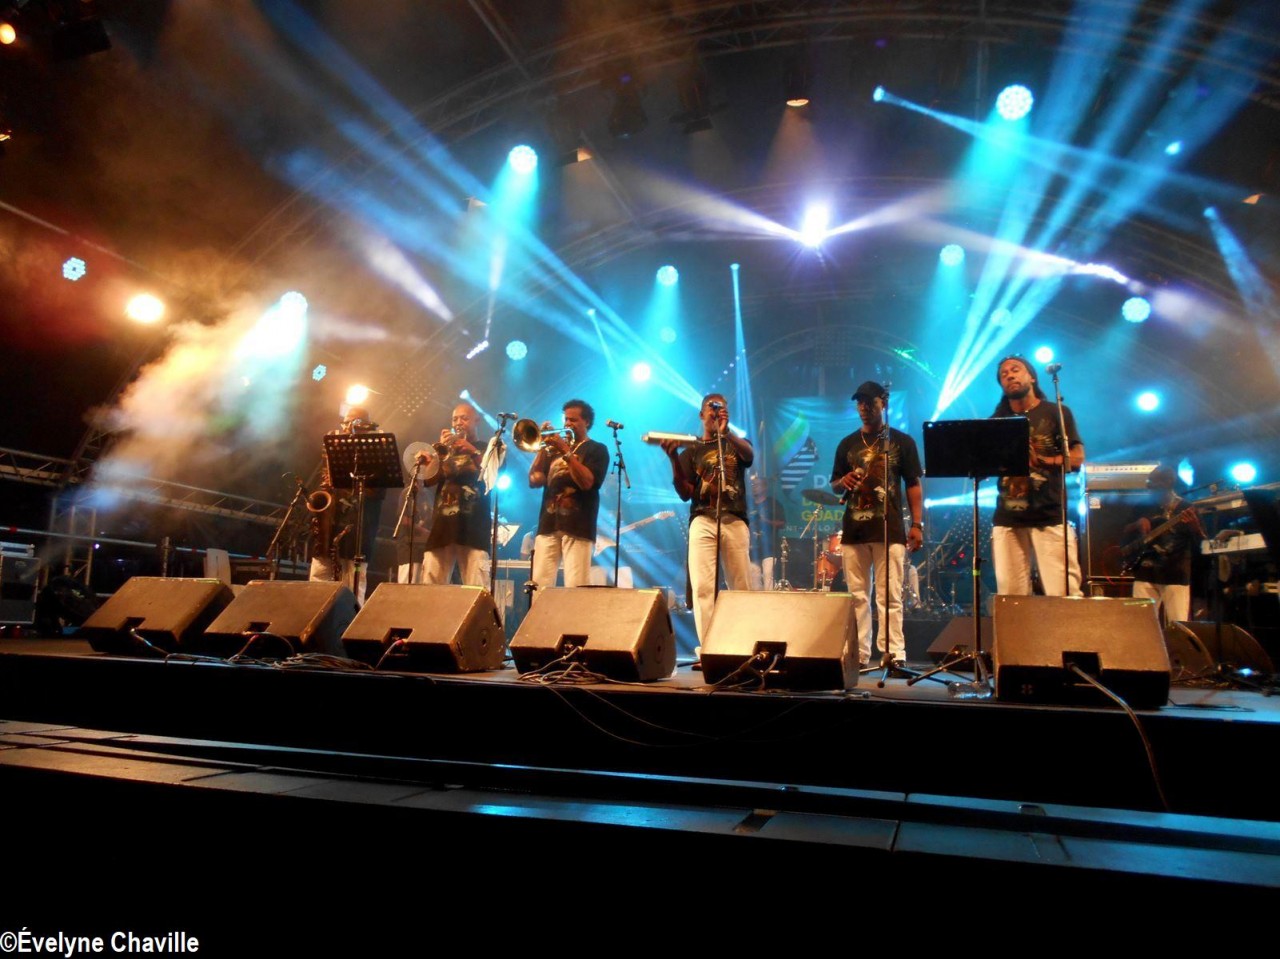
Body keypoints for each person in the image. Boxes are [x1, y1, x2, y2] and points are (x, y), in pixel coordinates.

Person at [829, 381, 924, 665]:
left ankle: (893, 654)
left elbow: (913, 483)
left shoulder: (902, 442)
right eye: (859, 402)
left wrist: (917, 524)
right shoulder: (847, 444)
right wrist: (843, 481)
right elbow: (834, 484)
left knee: (890, 596)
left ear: (883, 403)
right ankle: (859, 654)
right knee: (857, 596)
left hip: (889, 529)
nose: (864, 407)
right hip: (855, 530)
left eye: (869, 402)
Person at [659, 394, 755, 643]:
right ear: (701, 415)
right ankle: (709, 646)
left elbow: (749, 456)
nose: (715, 411)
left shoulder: (735, 442)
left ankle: (742, 643)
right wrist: (673, 459)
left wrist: (726, 433)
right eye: (711, 408)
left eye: (720, 407)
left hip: (734, 518)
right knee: (703, 586)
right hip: (702, 518)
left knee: (740, 584)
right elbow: (684, 493)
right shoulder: (692, 450)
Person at [990, 355, 1084, 597]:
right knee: (1011, 597)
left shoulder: (1056, 412)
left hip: (1048, 515)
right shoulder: (996, 422)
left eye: (1015, 370)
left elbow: (1077, 459)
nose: (1010, 375)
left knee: (1063, 595)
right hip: (1008, 518)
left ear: (1032, 377)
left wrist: (1041, 460)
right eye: (1004, 375)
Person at [528, 399, 610, 595]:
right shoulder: (552, 451)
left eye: (573, 420)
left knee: (576, 587)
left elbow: (587, 482)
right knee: (539, 586)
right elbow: (534, 480)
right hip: (548, 524)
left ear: (586, 422)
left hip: (578, 526)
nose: (567, 424)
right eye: (566, 419)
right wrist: (541, 448)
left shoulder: (596, 449)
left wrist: (566, 451)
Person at [308, 406, 387, 604]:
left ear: (365, 426)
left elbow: (376, 492)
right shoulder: (335, 450)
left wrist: (345, 482)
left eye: (353, 422)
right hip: (329, 532)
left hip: (357, 533)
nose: (346, 427)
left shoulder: (378, 454)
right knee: (317, 583)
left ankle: (350, 623)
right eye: (345, 422)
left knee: (352, 590)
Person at [418, 402, 491, 587]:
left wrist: (472, 450)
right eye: (455, 419)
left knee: (476, 587)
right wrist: (435, 457)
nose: (458, 423)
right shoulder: (446, 452)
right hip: (442, 528)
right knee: (430, 588)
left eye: (464, 418)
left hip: (473, 528)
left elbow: (492, 474)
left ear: (477, 420)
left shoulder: (487, 447)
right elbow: (429, 481)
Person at [1124, 465, 1202, 625]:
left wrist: (1195, 526)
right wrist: (1137, 524)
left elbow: (1202, 542)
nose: (1149, 488)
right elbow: (1125, 532)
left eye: (1152, 484)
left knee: (1178, 626)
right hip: (1145, 573)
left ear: (1167, 485)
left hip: (1175, 575)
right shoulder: (1142, 507)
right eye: (1148, 483)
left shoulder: (1185, 507)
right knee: (1140, 624)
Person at [749, 474, 786, 590]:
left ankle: (770, 599)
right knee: (754, 579)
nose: (754, 487)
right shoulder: (748, 504)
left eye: (757, 485)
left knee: (768, 576)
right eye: (753, 485)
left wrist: (765, 521)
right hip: (752, 548)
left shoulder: (773, 504)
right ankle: (757, 601)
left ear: (765, 487)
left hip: (770, 548)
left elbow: (782, 523)